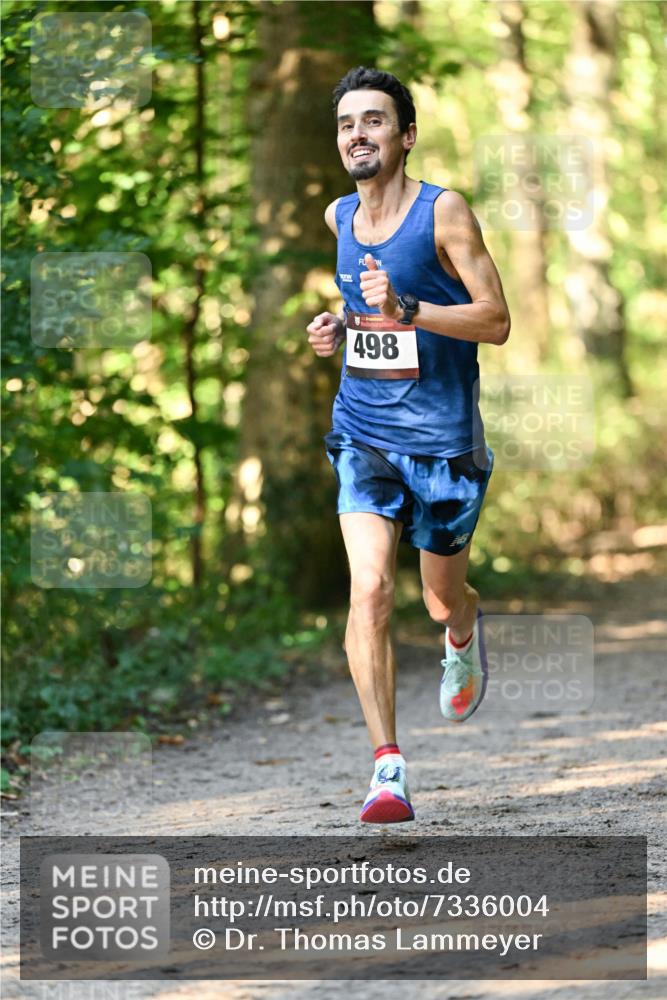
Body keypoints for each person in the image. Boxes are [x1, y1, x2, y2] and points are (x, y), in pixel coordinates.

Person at [306, 66, 510, 825]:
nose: (357, 134)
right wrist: (338, 327)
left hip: (445, 443)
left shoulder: (443, 212)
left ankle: (462, 628)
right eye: (345, 123)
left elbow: (494, 321)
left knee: (436, 595)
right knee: (369, 589)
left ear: (405, 135)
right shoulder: (337, 218)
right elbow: (365, 314)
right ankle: (386, 770)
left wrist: (412, 307)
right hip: (364, 432)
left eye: (373, 121)